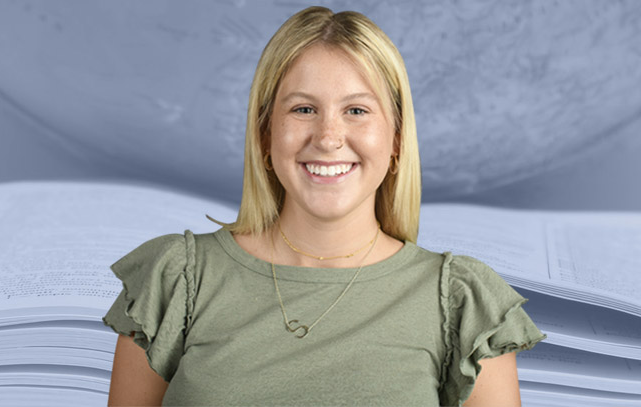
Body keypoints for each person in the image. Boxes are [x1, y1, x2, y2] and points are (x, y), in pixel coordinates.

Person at [103, 6, 546, 406]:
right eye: (303, 109)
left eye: (356, 111)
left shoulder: (463, 303)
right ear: (264, 135)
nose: (329, 137)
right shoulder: (176, 280)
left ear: (395, 140)